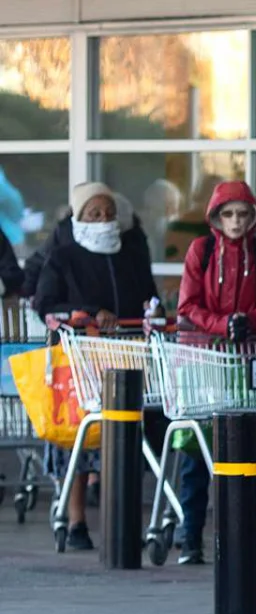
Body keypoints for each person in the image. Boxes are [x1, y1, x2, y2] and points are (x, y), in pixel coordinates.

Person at [33, 182, 159, 551]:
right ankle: (76, 522)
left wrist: (154, 313)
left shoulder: (131, 253)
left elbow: (148, 295)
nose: (104, 221)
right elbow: (45, 305)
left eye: (109, 214)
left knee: (126, 442)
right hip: (80, 359)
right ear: (78, 217)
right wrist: (87, 314)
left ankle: (122, 522)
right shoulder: (63, 256)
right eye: (94, 214)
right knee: (80, 442)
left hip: (127, 356)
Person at [174, 180, 256, 565]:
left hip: (247, 360)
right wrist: (222, 324)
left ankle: (240, 535)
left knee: (244, 451)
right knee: (197, 452)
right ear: (216, 218)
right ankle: (190, 533)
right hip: (204, 360)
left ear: (252, 216)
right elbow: (187, 305)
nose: (236, 221)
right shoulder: (201, 251)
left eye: (242, 214)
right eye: (228, 214)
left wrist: (247, 321)